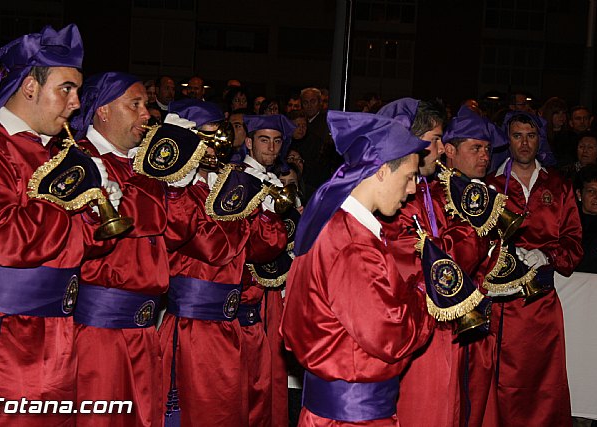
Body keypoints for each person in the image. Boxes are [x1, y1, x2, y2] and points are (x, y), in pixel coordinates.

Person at [0, 24, 115, 426]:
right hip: (3, 337)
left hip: (57, 329)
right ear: (28, 87)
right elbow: (4, 238)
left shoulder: (53, 150)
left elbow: (86, 247)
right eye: (66, 89)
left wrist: (97, 208)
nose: (76, 102)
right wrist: (66, 193)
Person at [281, 110, 434, 426]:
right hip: (351, 418)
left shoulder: (336, 223)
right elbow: (389, 335)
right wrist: (428, 292)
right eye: (408, 178)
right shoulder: (350, 243)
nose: (411, 190)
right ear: (380, 171)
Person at [71, 72, 200, 427]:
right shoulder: (81, 158)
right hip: (100, 334)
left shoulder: (137, 164)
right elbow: (132, 219)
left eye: (146, 104)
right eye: (136, 104)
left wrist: (176, 188)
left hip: (143, 330)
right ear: (103, 111)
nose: (147, 114)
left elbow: (175, 233)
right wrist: (158, 171)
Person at [156, 99, 286, 426]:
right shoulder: (173, 190)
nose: (215, 147)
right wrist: (242, 212)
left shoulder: (225, 182)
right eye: (206, 138)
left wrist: (265, 207)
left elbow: (265, 247)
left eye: (218, 137)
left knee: (229, 414)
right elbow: (209, 245)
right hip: (191, 329)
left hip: (229, 326)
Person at [380, 102, 501, 427]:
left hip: (445, 329)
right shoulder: (395, 198)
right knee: (425, 412)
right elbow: (422, 261)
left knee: (452, 411)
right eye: (434, 140)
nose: (440, 148)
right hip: (418, 329)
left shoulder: (433, 191)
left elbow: (448, 252)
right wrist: (469, 233)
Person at [486, 111, 583, 427]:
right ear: (508, 139)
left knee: (544, 384)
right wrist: (503, 255)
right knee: (501, 384)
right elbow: (473, 244)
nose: (524, 142)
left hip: (542, 304)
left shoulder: (559, 186)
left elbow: (574, 244)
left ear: (539, 139)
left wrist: (548, 255)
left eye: (530, 134)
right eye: (517, 135)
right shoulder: (490, 186)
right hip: (502, 304)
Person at [239, 114, 292, 426]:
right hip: (249, 289)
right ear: (248, 143)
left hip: (272, 287)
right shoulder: (240, 179)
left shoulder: (278, 181)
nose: (271, 147)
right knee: (254, 374)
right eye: (263, 139)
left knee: (271, 369)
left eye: (276, 140)